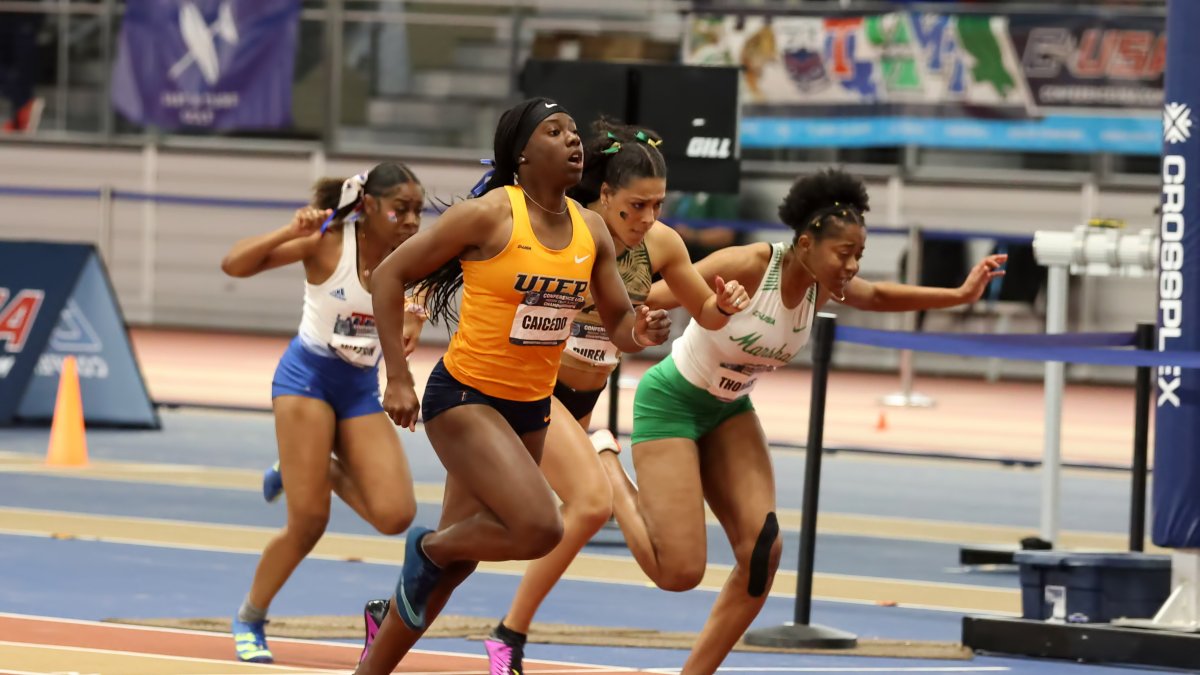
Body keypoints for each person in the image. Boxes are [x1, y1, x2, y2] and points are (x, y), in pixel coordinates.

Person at [357, 120, 752, 673]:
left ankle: (386, 632)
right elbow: (439, 267)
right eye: (635, 206)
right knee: (586, 504)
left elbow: (682, 314)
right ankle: (508, 631)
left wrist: (711, 312)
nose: (646, 219)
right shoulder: (548, 224)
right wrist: (415, 325)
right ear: (606, 193)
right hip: (524, 391)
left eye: (657, 206)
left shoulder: (646, 242)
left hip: (554, 400)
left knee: (461, 555)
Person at [597, 168, 1007, 675]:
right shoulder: (749, 263)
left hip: (731, 411)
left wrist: (960, 295)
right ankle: (606, 461)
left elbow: (878, 296)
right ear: (807, 242)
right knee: (679, 572)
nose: (853, 266)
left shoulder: (821, 285)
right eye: (844, 254)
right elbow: (654, 294)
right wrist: (622, 319)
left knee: (762, 555)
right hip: (673, 400)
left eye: (859, 253)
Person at [219, 162, 424, 664]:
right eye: (402, 209)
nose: (412, 221)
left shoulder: (413, 254)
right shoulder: (330, 241)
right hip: (306, 381)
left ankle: (302, 466)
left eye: (419, 210)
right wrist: (292, 230)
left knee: (396, 515)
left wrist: (414, 318)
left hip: (357, 389)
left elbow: (415, 298)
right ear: (369, 205)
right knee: (309, 522)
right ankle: (249, 617)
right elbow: (234, 265)